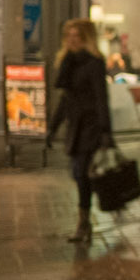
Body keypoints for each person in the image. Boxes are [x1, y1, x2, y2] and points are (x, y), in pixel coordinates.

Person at [45, 19, 113, 243]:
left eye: (77, 36)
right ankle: (85, 220)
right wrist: (52, 128)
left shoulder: (94, 63)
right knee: (78, 174)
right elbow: (65, 100)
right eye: (69, 36)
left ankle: (83, 223)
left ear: (86, 39)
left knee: (82, 173)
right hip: (75, 126)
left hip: (91, 126)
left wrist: (106, 132)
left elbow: (102, 99)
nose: (72, 40)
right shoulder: (68, 63)